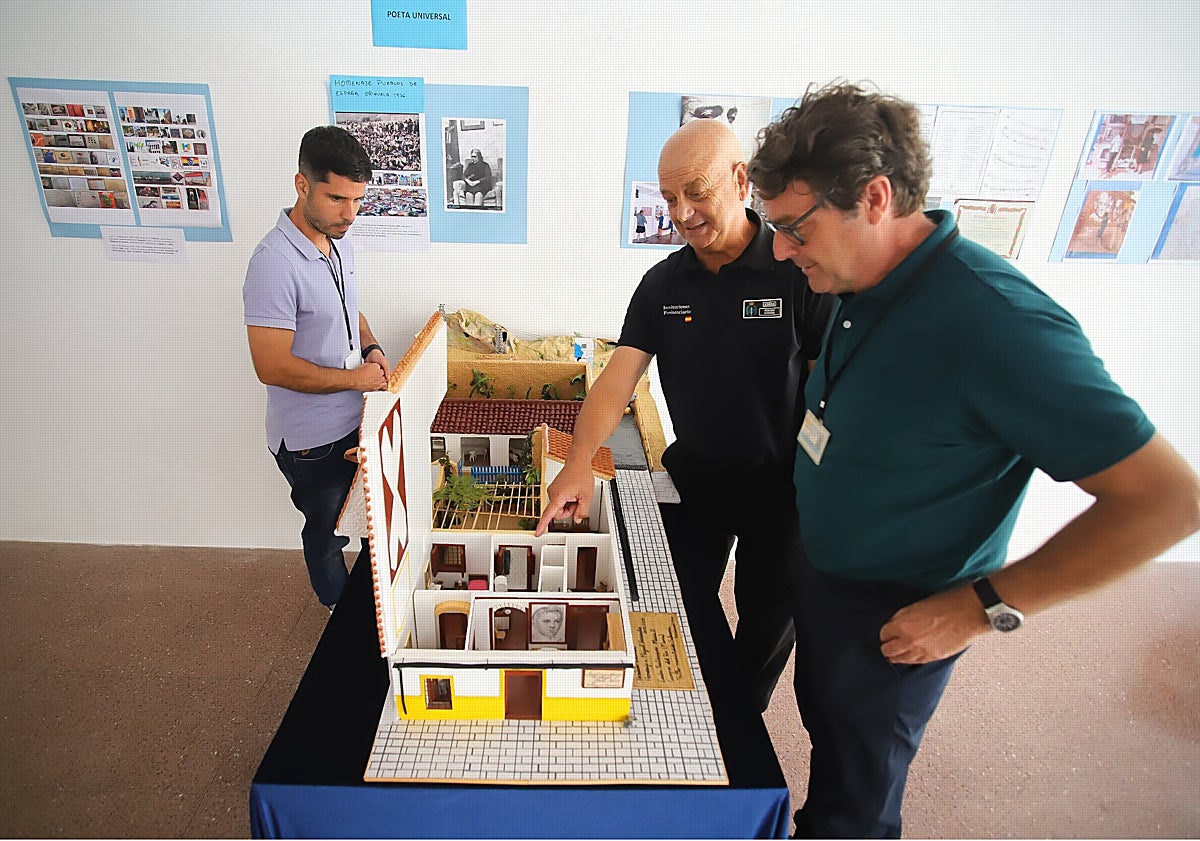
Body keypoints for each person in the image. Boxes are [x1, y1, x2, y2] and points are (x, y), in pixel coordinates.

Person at [748, 81, 1200, 838]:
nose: (781, 249)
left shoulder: (998, 324)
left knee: (855, 802)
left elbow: (1168, 501)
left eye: (794, 227)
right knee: (831, 743)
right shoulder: (861, 281)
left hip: (904, 612)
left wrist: (980, 607)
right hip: (827, 581)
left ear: (875, 197)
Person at [536, 118, 834, 713]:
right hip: (700, 481)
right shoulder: (662, 285)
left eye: (696, 191)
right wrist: (576, 466)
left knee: (764, 631)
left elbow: (833, 389)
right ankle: (666, 716)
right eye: (669, 197)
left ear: (740, 179)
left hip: (787, 493)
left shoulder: (797, 268)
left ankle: (734, 729)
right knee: (668, 605)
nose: (682, 212)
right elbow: (617, 378)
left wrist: (831, 488)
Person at [243, 125, 392, 611]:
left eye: (357, 200)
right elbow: (271, 366)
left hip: (355, 419)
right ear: (301, 185)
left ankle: (370, 610)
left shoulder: (338, 239)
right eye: (336, 199)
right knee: (327, 534)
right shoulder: (273, 263)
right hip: (310, 441)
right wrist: (356, 380)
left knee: (369, 521)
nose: (350, 214)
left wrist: (370, 346)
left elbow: (349, 308)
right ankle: (336, 611)